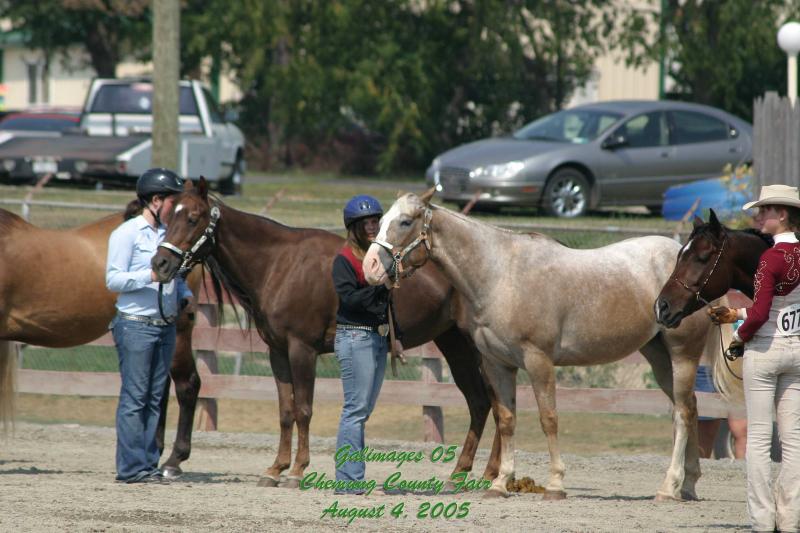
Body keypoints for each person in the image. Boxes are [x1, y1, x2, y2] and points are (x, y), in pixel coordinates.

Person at [709, 184, 800, 531]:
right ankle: (790, 520)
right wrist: (739, 316)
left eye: (765, 211)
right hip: (796, 350)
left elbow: (761, 313)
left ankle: (762, 521)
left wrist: (737, 338)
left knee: (760, 438)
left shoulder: (770, 258)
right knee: (793, 439)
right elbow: (781, 309)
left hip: (765, 351)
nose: (759, 216)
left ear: (783, 215)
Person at [105, 168, 193, 484]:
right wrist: (149, 277)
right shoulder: (127, 234)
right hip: (135, 325)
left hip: (165, 326)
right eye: (173, 201)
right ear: (156, 200)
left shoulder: (168, 234)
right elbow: (113, 278)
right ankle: (131, 468)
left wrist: (185, 293)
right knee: (135, 398)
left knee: (155, 397)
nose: (177, 208)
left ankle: (148, 464)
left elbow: (177, 275)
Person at [331, 194, 400, 493]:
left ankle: (351, 477)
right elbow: (349, 300)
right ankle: (348, 480)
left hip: (376, 338)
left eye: (375, 221)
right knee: (355, 410)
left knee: (362, 410)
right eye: (366, 223)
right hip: (354, 336)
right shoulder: (344, 261)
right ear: (354, 227)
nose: (372, 227)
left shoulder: (378, 259)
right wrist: (378, 286)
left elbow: (387, 304)